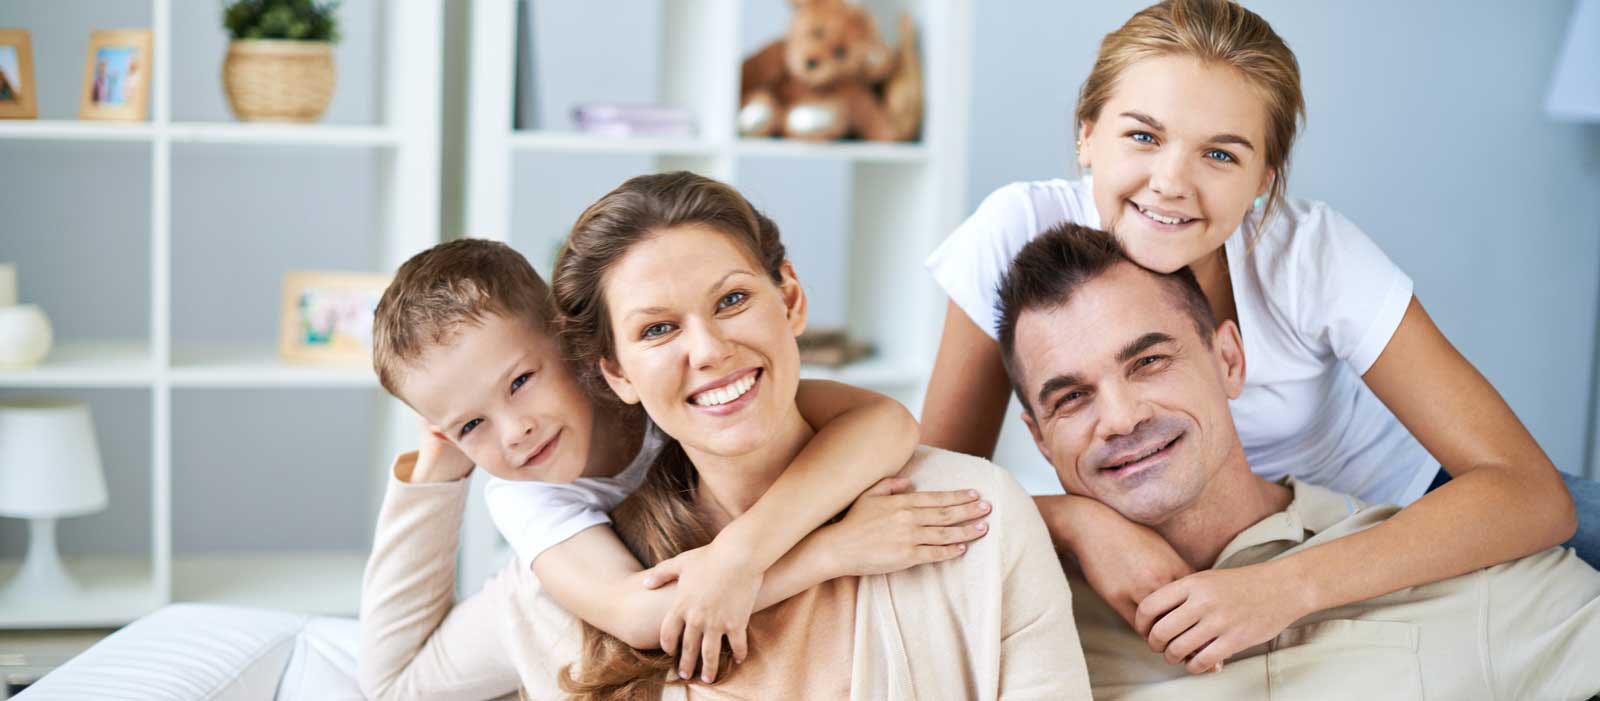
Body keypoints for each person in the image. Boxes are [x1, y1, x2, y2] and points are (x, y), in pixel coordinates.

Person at [921, 0, 1595, 667]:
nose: (1170, 183)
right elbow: (935, 487)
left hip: (1396, 514)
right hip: (1213, 543)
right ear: (1086, 135)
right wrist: (1077, 522)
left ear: (1262, 180)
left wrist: (1285, 586)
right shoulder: (1015, 232)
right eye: (1143, 136)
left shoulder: (1311, 256)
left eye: (1220, 153)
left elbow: (1530, 493)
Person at [357, 239, 995, 699]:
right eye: (473, 425)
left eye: (521, 381)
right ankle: (436, 461)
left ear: (581, 345)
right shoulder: (524, 495)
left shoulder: (668, 380)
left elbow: (886, 423)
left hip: (665, 555)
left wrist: (741, 552)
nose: (514, 430)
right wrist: (829, 553)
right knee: (392, 689)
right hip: (568, 579)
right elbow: (637, 616)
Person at [996, 222, 1600, 698]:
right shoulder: (1014, 618)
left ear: (1229, 360)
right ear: (1040, 439)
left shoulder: (1459, 577)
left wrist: (1288, 588)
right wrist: (1068, 519)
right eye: (1072, 397)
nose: (1122, 418)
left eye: (1150, 361)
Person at [551, 171, 1089, 699]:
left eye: (732, 300)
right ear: (617, 374)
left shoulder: (975, 516)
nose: (710, 350)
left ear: (790, 300)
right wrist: (459, 467)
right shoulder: (589, 571)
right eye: (658, 329)